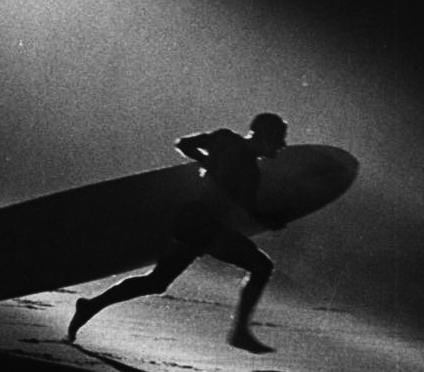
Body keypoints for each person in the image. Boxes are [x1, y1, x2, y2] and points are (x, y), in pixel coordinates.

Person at [66, 113, 289, 352]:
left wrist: (209, 163)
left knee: (156, 282)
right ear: (264, 135)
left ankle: (90, 306)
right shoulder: (233, 148)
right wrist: (209, 164)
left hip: (197, 221)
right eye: (279, 138)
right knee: (261, 267)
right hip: (202, 223)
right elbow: (186, 145)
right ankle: (240, 333)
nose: (282, 145)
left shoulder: (239, 155)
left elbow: (185, 146)